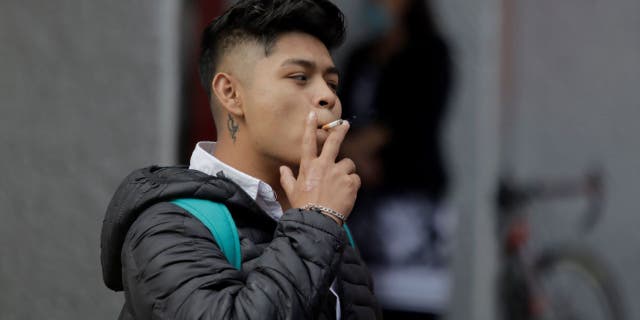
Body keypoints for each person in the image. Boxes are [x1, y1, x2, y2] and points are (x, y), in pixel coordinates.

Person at [100, 1, 382, 319]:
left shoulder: (330, 223)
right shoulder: (167, 225)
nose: (328, 96)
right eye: (300, 77)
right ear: (231, 93)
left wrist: (319, 219)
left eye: (332, 83)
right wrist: (316, 220)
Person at [338, 0, 454, 318]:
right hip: (362, 204)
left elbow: (415, 117)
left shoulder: (431, 51)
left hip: (411, 199)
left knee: (410, 305)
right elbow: (338, 117)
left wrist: (361, 149)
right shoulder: (361, 57)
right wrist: (353, 156)